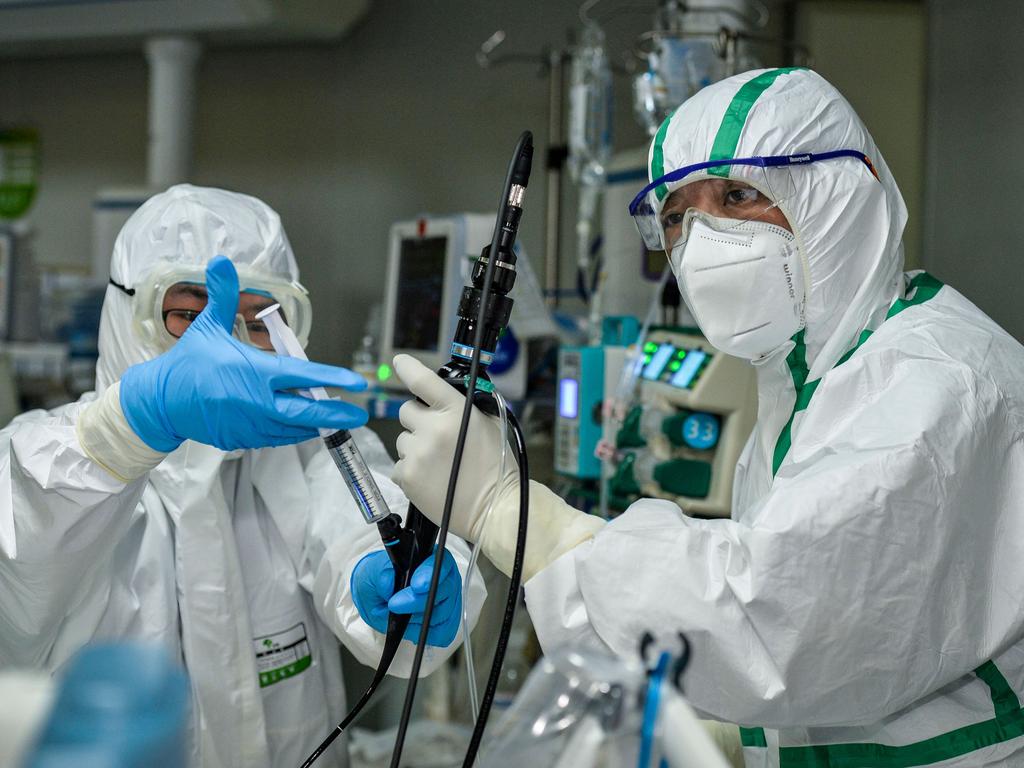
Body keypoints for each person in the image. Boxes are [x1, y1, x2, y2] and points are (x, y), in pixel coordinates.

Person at [391, 68, 1024, 767]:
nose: (702, 240)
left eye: (740, 195)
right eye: (676, 217)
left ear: (837, 196)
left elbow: (774, 622)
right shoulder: (810, 381)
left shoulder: (936, 383)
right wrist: (728, 736)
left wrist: (510, 511)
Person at [0, 184, 485, 768]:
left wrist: (390, 574)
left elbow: (361, 511)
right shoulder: (57, 461)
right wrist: (134, 423)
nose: (227, 349)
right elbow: (17, 552)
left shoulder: (303, 449)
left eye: (258, 320)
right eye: (187, 315)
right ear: (127, 315)